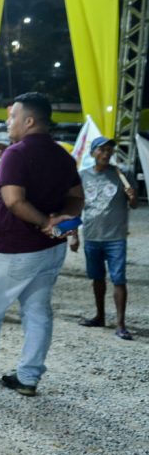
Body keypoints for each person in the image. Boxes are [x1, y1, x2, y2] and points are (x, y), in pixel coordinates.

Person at [0, 93, 84, 396]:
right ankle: (28, 376)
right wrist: (63, 219)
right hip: (49, 250)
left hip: (14, 249)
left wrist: (45, 223)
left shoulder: (17, 153)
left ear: (29, 121)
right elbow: (76, 197)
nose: (8, 123)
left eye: (12, 117)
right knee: (37, 312)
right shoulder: (62, 155)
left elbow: (13, 200)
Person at [70, 137, 138, 340]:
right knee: (97, 278)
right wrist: (73, 235)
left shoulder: (122, 175)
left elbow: (133, 205)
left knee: (119, 279)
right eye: (102, 150)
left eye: (109, 150)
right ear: (93, 153)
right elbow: (75, 207)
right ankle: (99, 316)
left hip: (116, 237)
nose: (106, 154)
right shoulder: (82, 176)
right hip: (91, 236)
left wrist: (132, 196)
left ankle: (120, 324)